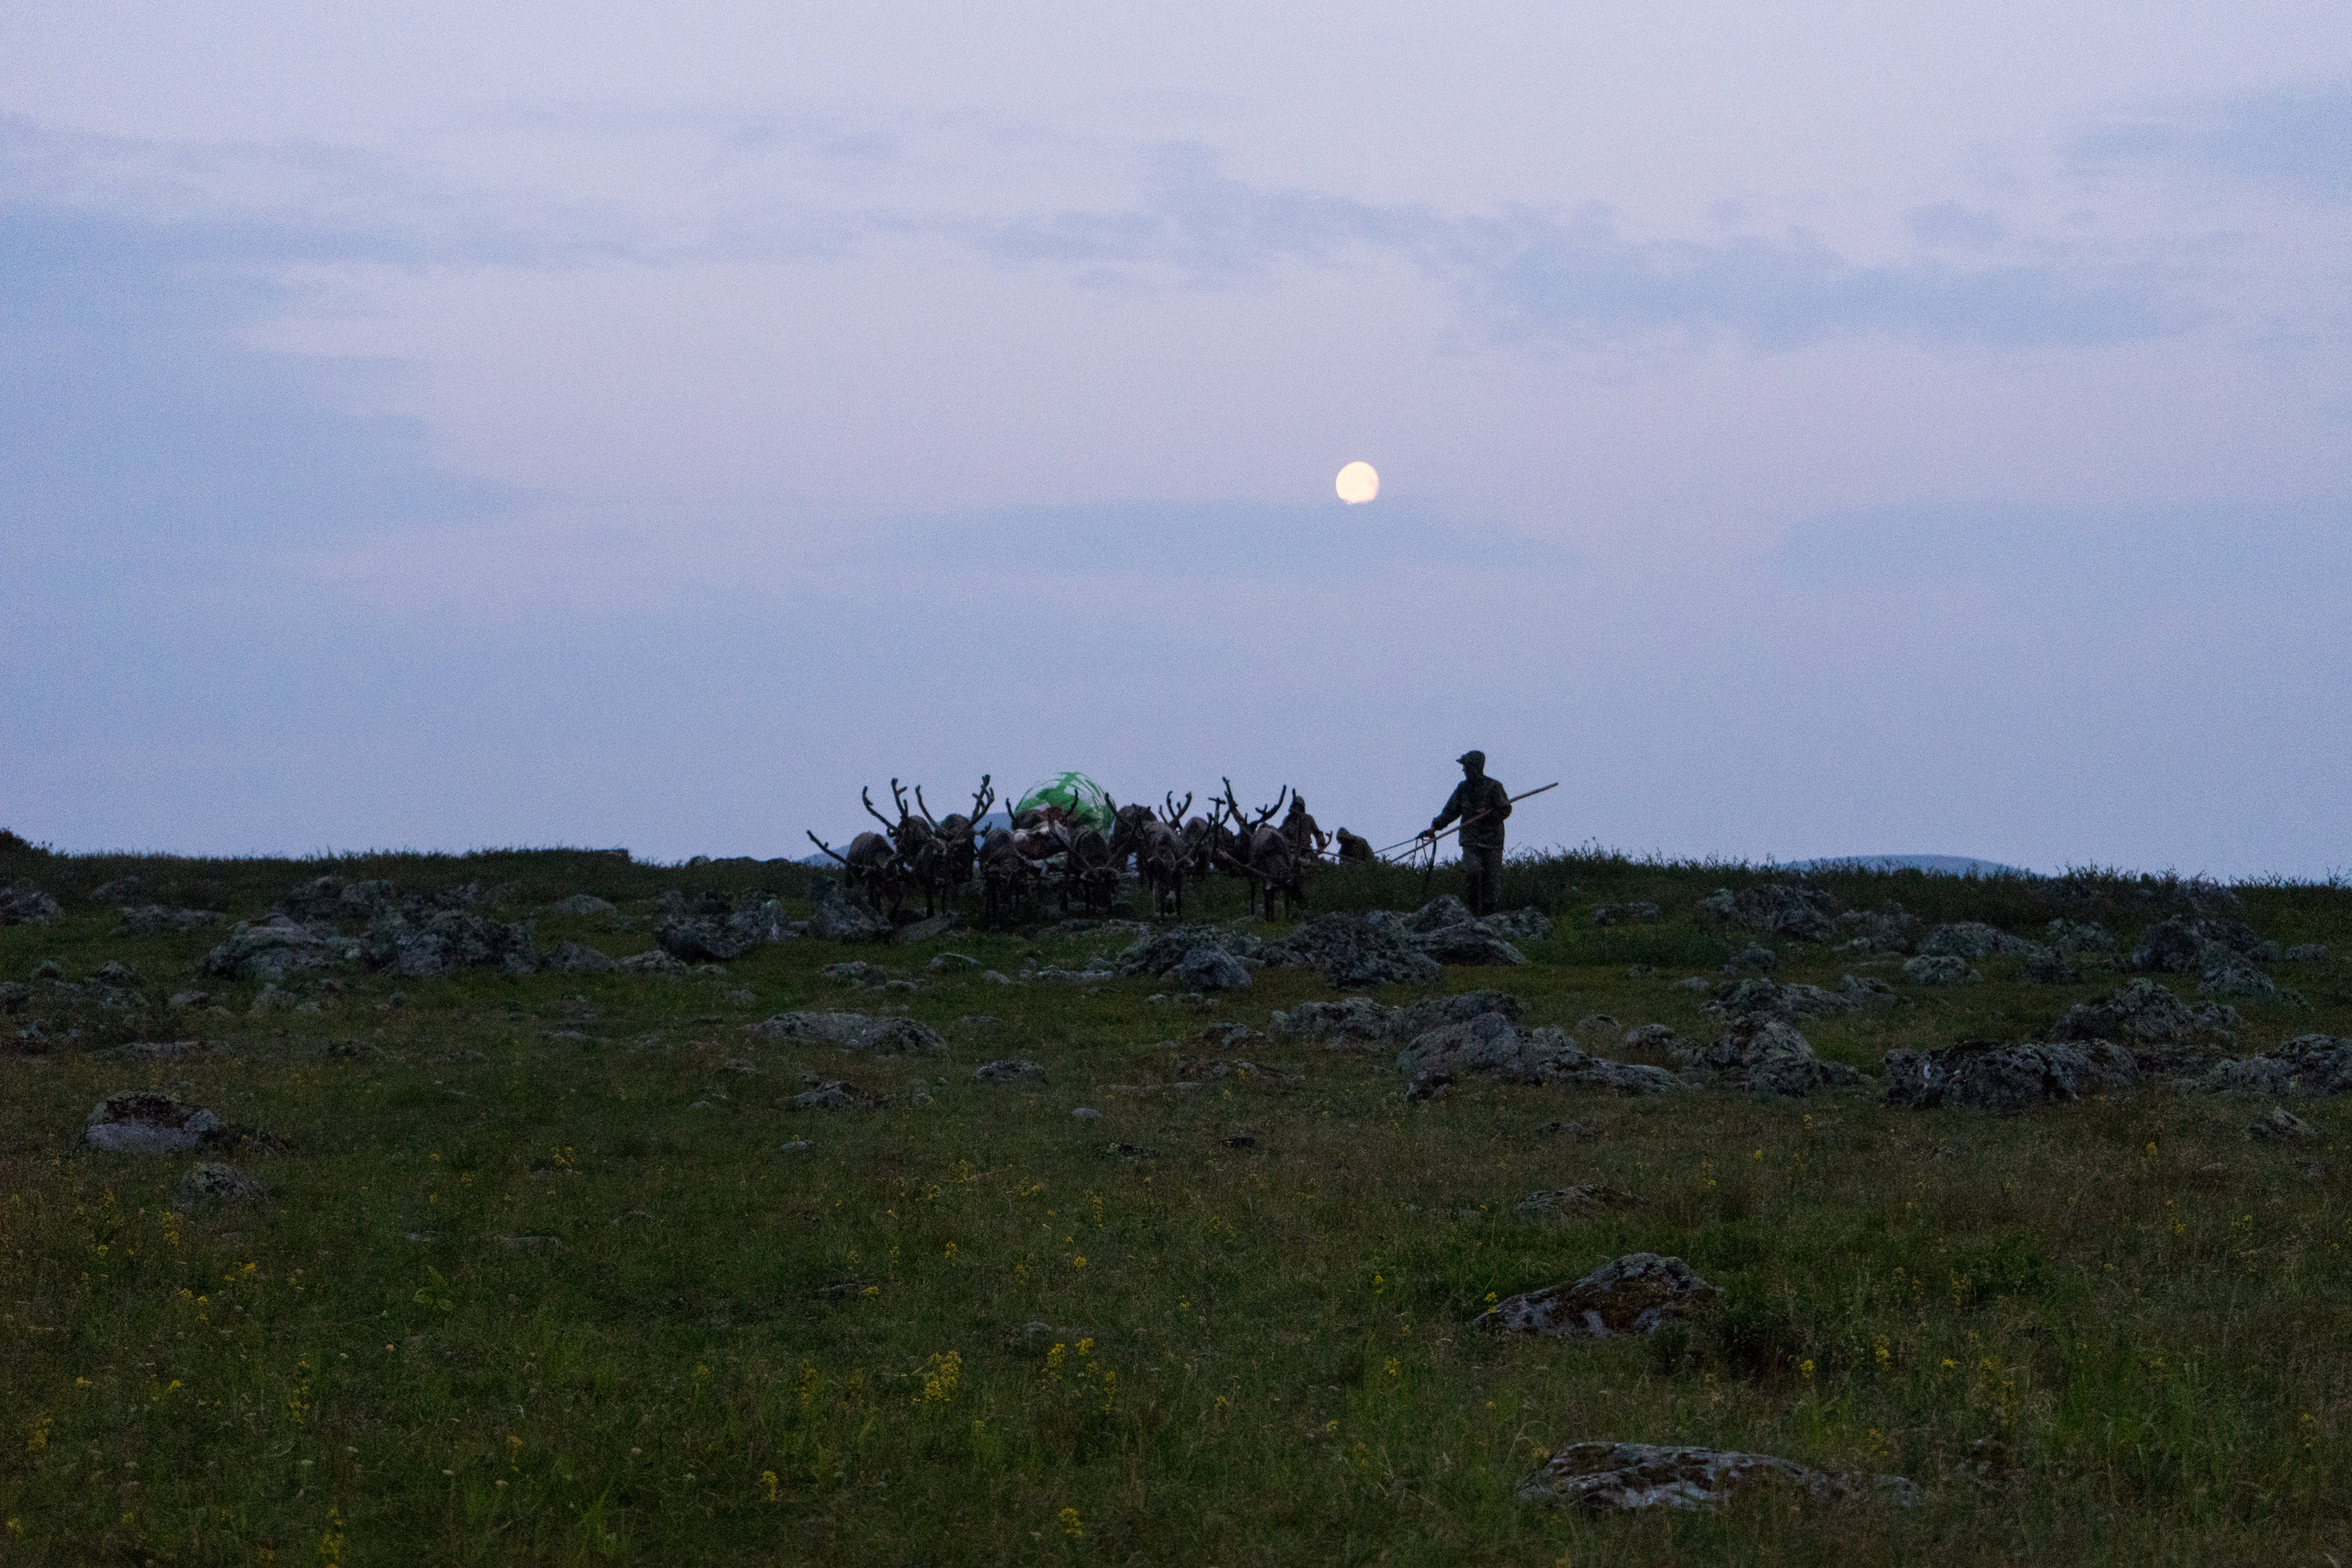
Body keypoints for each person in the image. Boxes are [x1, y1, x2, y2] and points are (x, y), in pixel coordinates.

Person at [1427, 750, 1510, 915]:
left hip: (1492, 842)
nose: (1463, 770)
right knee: (1472, 873)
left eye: (1465, 766)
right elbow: (1450, 811)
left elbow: (1505, 809)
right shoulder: (1462, 788)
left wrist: (1489, 813)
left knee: (1491, 884)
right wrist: (1435, 827)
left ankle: (1489, 918)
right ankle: (1473, 914)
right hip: (1470, 841)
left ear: (1475, 767)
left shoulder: (1494, 786)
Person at [1281, 795, 1328, 860]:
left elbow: (1318, 833)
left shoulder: (1308, 819)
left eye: (1298, 806)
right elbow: (1281, 833)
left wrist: (1321, 846)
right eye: (1295, 806)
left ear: (1301, 807)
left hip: (1306, 850)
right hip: (1290, 850)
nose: (1296, 808)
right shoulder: (1288, 819)